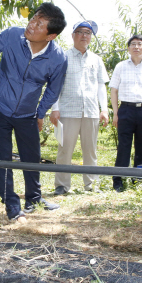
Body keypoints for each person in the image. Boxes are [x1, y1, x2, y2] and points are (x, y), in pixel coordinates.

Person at [0, 2, 67, 222]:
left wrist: (40, 113)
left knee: (31, 157)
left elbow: (53, 90)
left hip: (27, 113)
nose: (31, 24)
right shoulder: (13, 35)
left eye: (40, 23)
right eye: (33, 18)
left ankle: (34, 198)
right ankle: (12, 206)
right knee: (2, 158)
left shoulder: (58, 58)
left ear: (50, 35)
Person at [49, 20, 109, 195]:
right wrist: (55, 107)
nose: (84, 36)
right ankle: (61, 185)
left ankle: (91, 184)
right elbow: (54, 85)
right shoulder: (62, 56)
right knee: (65, 148)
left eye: (88, 33)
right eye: (81, 32)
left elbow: (100, 85)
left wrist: (103, 109)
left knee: (90, 149)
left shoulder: (96, 60)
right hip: (68, 110)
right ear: (73, 35)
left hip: (90, 111)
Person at [109, 34, 142, 192]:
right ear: (128, 48)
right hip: (126, 109)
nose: (136, 47)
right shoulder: (120, 66)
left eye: (140, 44)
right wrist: (116, 113)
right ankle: (118, 180)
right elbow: (114, 90)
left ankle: (138, 178)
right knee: (123, 147)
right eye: (133, 44)